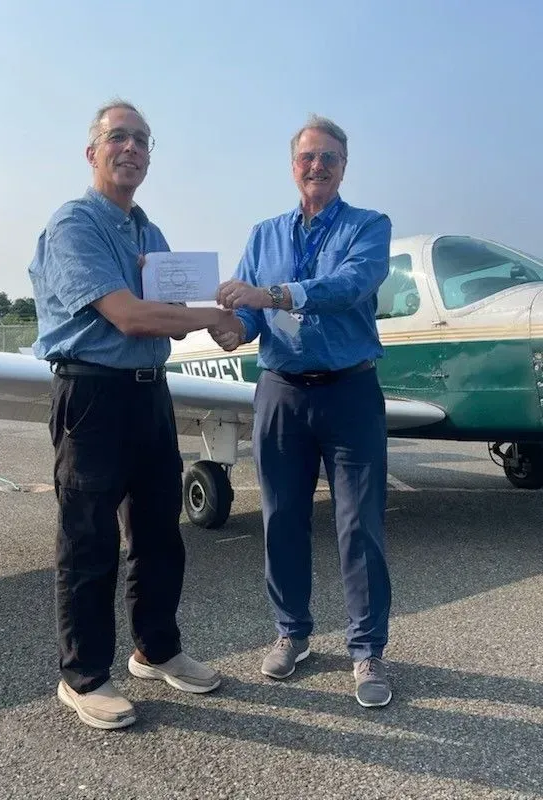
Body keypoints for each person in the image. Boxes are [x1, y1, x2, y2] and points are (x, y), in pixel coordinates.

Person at [29, 100, 233, 729]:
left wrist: (210, 316)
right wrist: (209, 318)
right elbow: (129, 315)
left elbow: (161, 324)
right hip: (92, 395)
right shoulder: (75, 225)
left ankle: (157, 648)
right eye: (118, 137)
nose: (132, 149)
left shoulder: (149, 232)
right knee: (89, 538)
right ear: (92, 151)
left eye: (143, 140)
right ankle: (84, 675)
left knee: (158, 531)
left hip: (149, 392)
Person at [211, 115, 393, 707]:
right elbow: (254, 318)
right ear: (293, 165)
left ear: (344, 167)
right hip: (281, 391)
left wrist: (274, 294)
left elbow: (349, 286)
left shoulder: (370, 226)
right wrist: (230, 327)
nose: (318, 167)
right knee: (281, 517)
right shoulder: (263, 235)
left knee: (359, 524)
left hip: (350, 391)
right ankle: (292, 633)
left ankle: (366, 651)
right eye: (308, 157)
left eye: (330, 158)